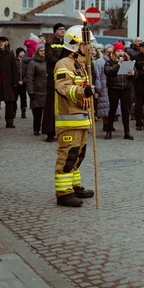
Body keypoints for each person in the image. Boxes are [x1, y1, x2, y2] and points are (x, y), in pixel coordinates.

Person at [53, 25, 96, 207]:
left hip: (81, 119)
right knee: (68, 155)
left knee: (79, 154)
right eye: (87, 44)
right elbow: (63, 87)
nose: (90, 47)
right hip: (69, 119)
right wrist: (83, 91)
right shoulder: (64, 64)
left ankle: (74, 185)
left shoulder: (82, 65)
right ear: (75, 45)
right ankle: (63, 193)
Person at [104, 41, 136, 140]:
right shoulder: (109, 61)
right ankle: (109, 130)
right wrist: (118, 64)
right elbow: (108, 72)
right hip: (114, 88)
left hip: (126, 88)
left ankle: (127, 132)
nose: (120, 53)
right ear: (114, 52)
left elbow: (135, 75)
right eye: (118, 51)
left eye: (122, 50)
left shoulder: (129, 61)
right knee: (112, 109)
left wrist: (133, 74)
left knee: (125, 110)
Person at [42, 23, 66, 142]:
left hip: (66, 78)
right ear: (55, 31)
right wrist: (63, 63)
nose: (62, 31)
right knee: (51, 106)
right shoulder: (49, 43)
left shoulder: (67, 43)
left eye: (63, 29)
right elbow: (50, 58)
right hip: (54, 78)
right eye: (60, 29)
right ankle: (50, 132)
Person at [0, 37, 20, 128]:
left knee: (9, 103)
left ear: (5, 43)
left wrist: (15, 81)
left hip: (8, 83)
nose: (1, 44)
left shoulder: (10, 54)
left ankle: (9, 121)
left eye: (2, 42)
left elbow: (14, 69)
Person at [25, 44, 47, 136]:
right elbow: (29, 78)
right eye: (41, 51)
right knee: (37, 112)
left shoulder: (48, 62)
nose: (43, 53)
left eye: (44, 51)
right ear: (37, 52)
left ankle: (46, 128)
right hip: (37, 90)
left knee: (47, 112)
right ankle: (36, 129)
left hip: (47, 89)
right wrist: (30, 91)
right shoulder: (32, 63)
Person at [132, 41, 144, 131]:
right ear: (140, 48)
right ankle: (139, 123)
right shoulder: (136, 58)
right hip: (139, 84)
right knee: (138, 105)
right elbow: (133, 70)